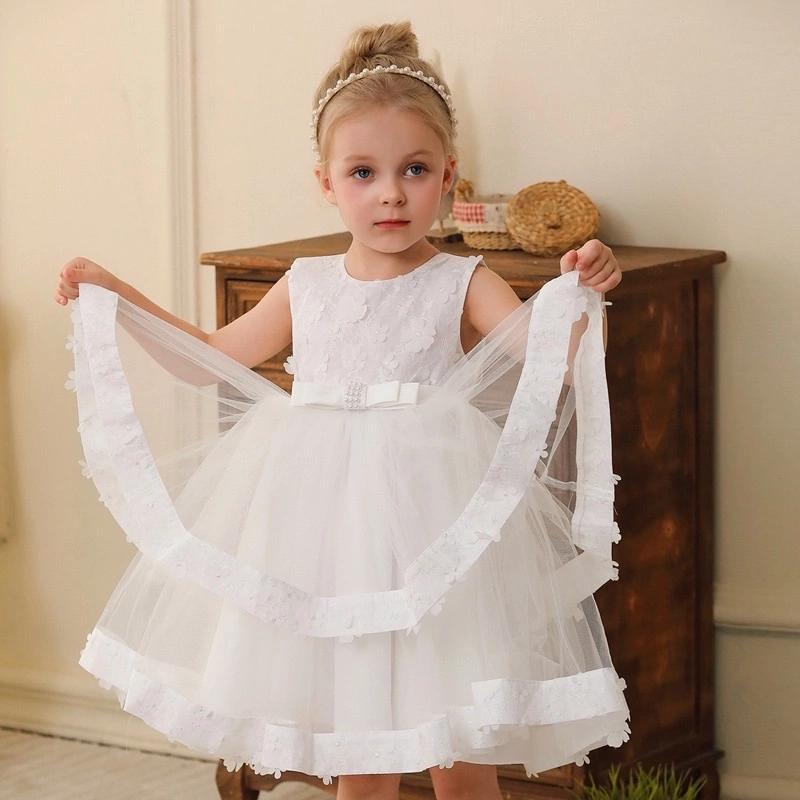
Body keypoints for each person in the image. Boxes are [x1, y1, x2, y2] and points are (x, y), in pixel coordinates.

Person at [54, 20, 629, 800]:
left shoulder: (464, 280)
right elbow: (208, 358)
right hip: (321, 529)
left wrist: (580, 295)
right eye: (363, 172)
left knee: (458, 747)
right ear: (326, 182)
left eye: (414, 170)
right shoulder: (307, 283)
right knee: (358, 745)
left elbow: (553, 359)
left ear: (448, 177)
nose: (390, 192)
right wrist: (118, 298)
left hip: (431, 523)